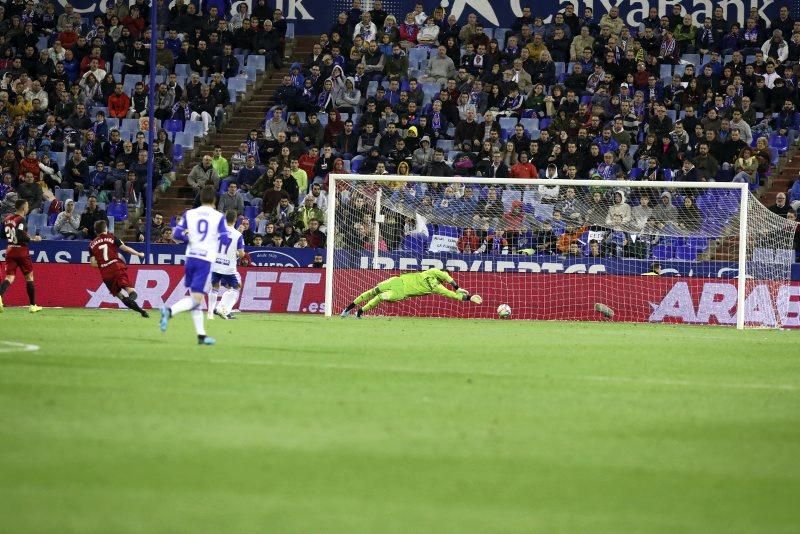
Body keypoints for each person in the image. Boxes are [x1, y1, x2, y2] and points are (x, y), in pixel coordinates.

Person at [160, 186, 229, 345]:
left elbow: (176, 234)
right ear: (214, 200)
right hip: (205, 260)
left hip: (190, 258)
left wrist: (191, 239)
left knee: (195, 298)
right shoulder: (218, 217)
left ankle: (201, 335)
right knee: (196, 299)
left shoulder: (189, 214)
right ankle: (169, 311)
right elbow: (225, 240)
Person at [340, 268, 483, 318]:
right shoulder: (432, 272)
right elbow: (447, 278)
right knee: (373, 291)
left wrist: (470, 297)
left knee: (380, 296)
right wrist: (457, 287)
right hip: (397, 280)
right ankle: (348, 309)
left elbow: (454, 296)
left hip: (402, 292)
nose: (444, 274)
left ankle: (360, 312)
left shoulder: (438, 288)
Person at [88, 220, 149, 318]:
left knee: (120, 296)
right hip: (116, 268)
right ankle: (132, 300)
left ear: (96, 231)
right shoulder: (112, 238)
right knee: (131, 291)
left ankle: (142, 312)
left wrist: (104, 263)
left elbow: (93, 264)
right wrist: (139, 254)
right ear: (106, 228)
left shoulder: (91, 245)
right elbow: (125, 248)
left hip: (105, 274)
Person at [0, 199, 42, 313]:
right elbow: (19, 233)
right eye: (27, 206)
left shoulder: (7, 219)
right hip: (21, 251)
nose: (28, 208)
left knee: (9, 277)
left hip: (10, 250)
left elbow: (2, 234)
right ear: (23, 208)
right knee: (29, 277)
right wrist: (33, 239)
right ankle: (33, 305)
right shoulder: (21, 219)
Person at [207, 210, 245, 321]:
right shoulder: (238, 235)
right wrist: (237, 252)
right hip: (228, 267)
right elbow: (241, 254)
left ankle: (210, 313)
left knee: (215, 287)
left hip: (216, 264)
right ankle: (222, 309)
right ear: (235, 220)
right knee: (236, 287)